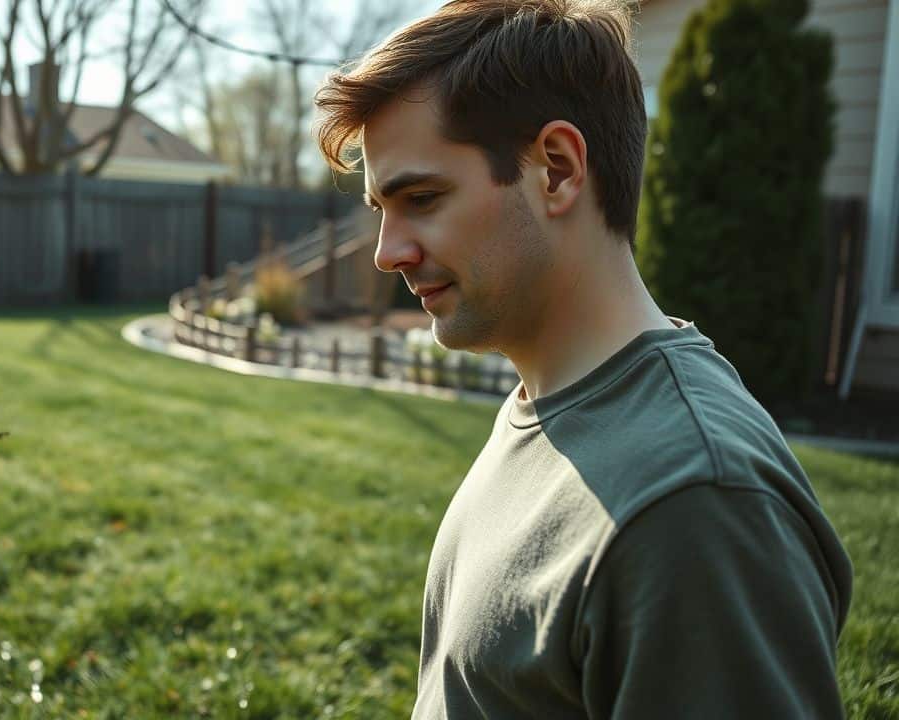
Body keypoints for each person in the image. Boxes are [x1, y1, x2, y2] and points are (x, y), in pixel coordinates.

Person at [312, 0, 853, 717]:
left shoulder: (693, 505)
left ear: (558, 171)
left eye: (423, 197)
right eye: (384, 208)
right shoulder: (556, 401)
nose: (389, 252)